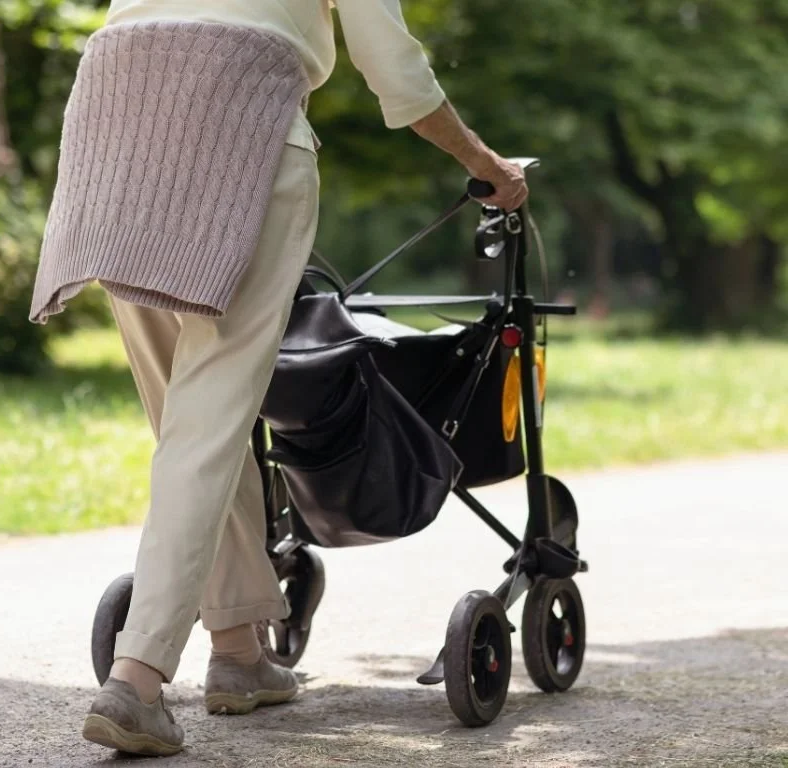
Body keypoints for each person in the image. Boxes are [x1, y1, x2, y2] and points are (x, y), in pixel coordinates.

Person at [29, 0, 528, 757]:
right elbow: (397, 74)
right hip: (238, 131)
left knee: (195, 427)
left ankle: (237, 651)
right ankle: (136, 680)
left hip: (115, 127)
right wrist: (486, 165)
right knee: (208, 423)